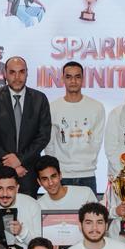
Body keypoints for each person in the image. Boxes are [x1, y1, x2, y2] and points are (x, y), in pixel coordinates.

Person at [0, 56, 51, 195]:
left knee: (28, 209)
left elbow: (43, 136)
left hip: (27, 172)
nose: (17, 77)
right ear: (5, 74)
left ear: (27, 73)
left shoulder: (39, 99)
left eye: (21, 72)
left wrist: (20, 160)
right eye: (12, 72)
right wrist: (10, 161)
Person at [47, 61, 106, 190]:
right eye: (69, 77)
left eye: (77, 77)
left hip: (87, 174)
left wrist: (86, 163)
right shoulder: (53, 108)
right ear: (63, 79)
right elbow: (49, 143)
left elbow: (96, 141)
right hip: (62, 174)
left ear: (83, 79)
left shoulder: (96, 107)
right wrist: (55, 168)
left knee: (89, 205)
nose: (73, 81)